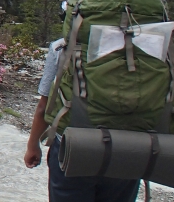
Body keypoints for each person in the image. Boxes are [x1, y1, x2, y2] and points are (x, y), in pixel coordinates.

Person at [25, 37, 140, 202]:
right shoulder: (142, 43)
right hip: (129, 148)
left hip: (73, 148)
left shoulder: (61, 47)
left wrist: (33, 144)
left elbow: (44, 105)